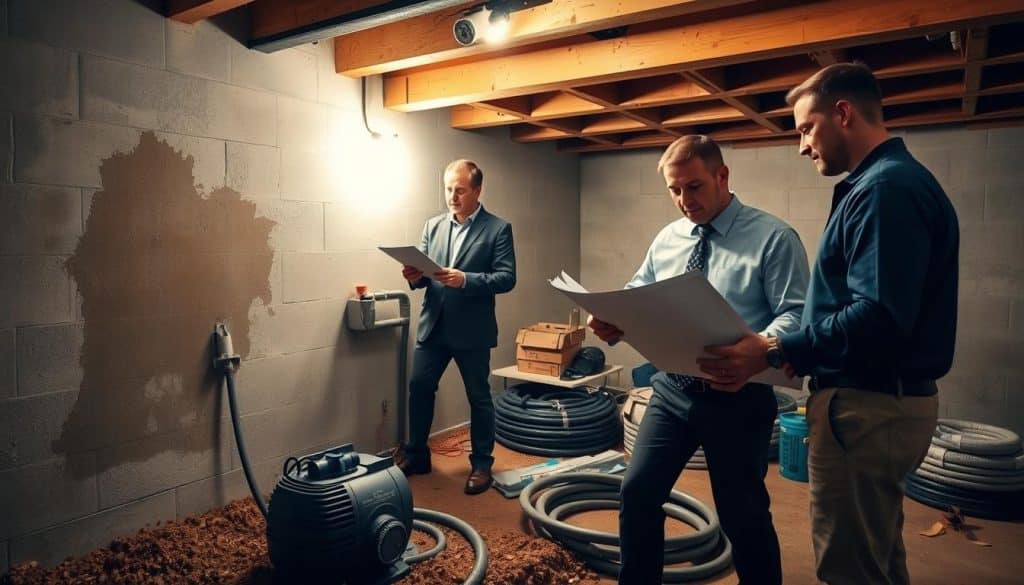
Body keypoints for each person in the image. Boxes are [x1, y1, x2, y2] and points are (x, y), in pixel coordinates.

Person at [701, 63, 959, 585]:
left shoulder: (884, 190)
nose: (801, 146)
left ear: (842, 113)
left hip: (868, 407)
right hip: (881, 402)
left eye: (805, 128)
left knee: (849, 568)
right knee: (877, 557)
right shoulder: (885, 184)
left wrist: (773, 347)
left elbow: (877, 317)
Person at [588, 135, 810, 585]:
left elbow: (798, 313)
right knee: (638, 493)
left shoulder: (774, 238)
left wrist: (763, 345)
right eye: (674, 190)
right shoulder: (669, 238)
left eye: (694, 187)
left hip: (739, 398)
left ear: (722, 176)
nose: (684, 200)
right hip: (672, 393)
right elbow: (639, 291)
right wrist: (615, 318)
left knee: (742, 515)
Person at [394, 159, 516, 495]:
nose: (452, 196)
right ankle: (418, 455)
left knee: (479, 398)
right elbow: (422, 278)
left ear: (477, 190)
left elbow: (507, 278)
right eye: (448, 189)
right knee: (419, 388)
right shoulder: (432, 226)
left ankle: (481, 465)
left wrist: (467, 280)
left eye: (460, 190)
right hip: (433, 327)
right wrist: (413, 277)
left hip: (472, 331)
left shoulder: (498, 229)